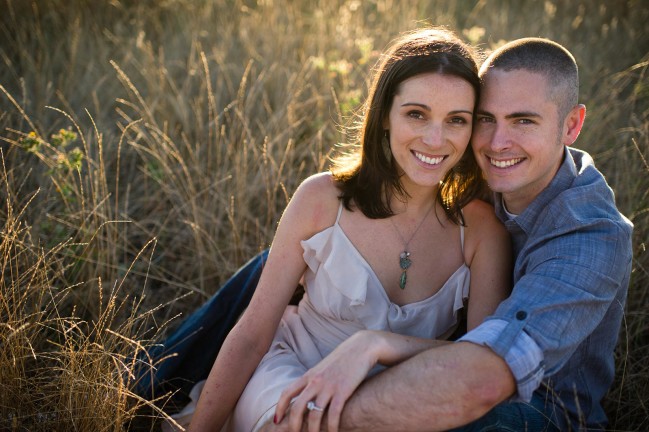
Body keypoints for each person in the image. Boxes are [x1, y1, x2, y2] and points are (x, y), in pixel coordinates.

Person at [266, 37, 633, 431]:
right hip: (453, 360)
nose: (496, 143)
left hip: (533, 408)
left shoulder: (592, 235)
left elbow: (486, 377)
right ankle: (189, 354)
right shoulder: (483, 174)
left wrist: (307, 423)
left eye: (523, 121)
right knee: (298, 256)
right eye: (485, 119)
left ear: (571, 125)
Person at [182, 27, 512, 432]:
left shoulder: (480, 230)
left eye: (456, 120)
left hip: (401, 398)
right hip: (292, 369)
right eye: (416, 114)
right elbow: (253, 333)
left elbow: (480, 359)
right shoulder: (322, 199)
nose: (435, 138)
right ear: (385, 117)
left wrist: (377, 345)